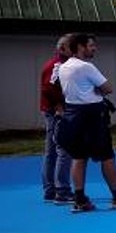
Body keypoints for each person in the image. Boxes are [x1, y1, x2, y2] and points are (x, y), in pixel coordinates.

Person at [52, 33, 116, 213]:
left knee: (79, 158)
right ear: (80, 46)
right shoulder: (86, 67)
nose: (94, 48)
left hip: (72, 116)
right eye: (91, 45)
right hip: (92, 117)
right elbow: (108, 88)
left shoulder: (63, 67)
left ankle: (80, 200)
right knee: (107, 157)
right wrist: (96, 90)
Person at [39, 34, 74, 203]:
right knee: (62, 150)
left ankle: (50, 189)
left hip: (52, 110)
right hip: (55, 113)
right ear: (62, 49)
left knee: (52, 151)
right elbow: (47, 87)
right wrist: (59, 106)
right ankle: (62, 189)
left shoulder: (63, 64)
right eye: (71, 46)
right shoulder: (57, 65)